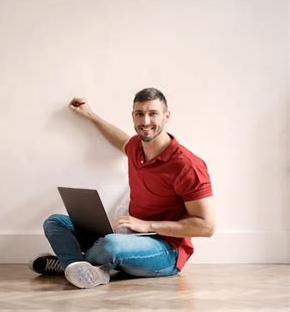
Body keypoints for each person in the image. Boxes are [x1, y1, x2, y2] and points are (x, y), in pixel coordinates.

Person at [29, 88, 216, 289]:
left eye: (153, 114)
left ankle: (70, 263)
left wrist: (148, 226)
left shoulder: (188, 166)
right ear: (133, 117)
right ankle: (80, 268)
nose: (145, 121)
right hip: (130, 235)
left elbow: (207, 226)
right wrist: (90, 115)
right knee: (56, 222)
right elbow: (121, 140)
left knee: (111, 245)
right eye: (139, 114)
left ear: (166, 116)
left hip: (166, 250)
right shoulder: (136, 146)